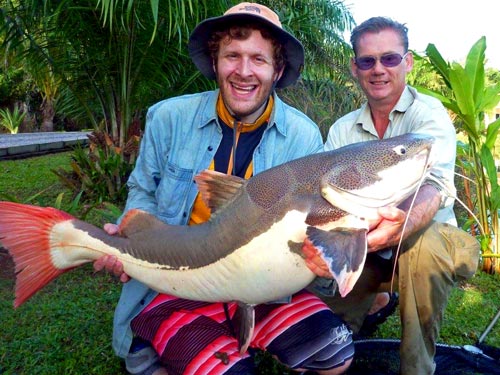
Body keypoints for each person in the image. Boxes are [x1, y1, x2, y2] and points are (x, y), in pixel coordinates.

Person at [94, 3, 354, 375]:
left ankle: (231, 330)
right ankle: (166, 341)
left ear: (277, 70)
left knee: (335, 356)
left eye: (259, 60)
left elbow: (318, 222)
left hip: (262, 284)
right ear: (215, 61)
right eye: (232, 55)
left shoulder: (304, 136)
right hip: (177, 280)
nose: (244, 71)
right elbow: (142, 190)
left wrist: (327, 256)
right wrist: (130, 232)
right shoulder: (168, 117)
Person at [307, 17, 480, 375]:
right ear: (355, 68)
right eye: (367, 61)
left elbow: (435, 186)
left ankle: (416, 366)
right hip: (367, 241)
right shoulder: (342, 130)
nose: (379, 70)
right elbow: (324, 198)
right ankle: (340, 336)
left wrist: (401, 224)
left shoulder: (427, 114)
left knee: (424, 244)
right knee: (320, 337)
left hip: (434, 241)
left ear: (408, 62)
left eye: (390, 58)